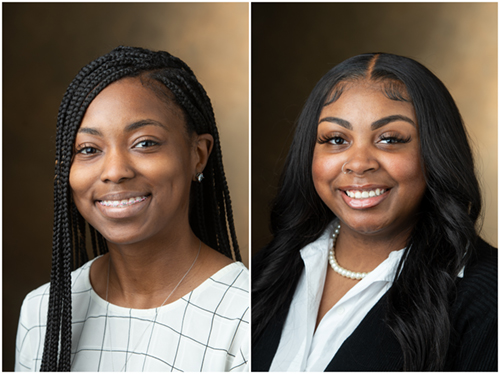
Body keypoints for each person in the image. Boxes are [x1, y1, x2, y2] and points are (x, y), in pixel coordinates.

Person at [252, 53, 497, 371]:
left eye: (390, 139)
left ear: (436, 151)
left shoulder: (488, 296)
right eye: (337, 139)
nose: (358, 163)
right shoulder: (266, 270)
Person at [15, 46, 249, 372]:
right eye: (88, 149)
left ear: (198, 153)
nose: (114, 170)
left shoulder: (246, 315)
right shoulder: (43, 312)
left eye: (144, 143)